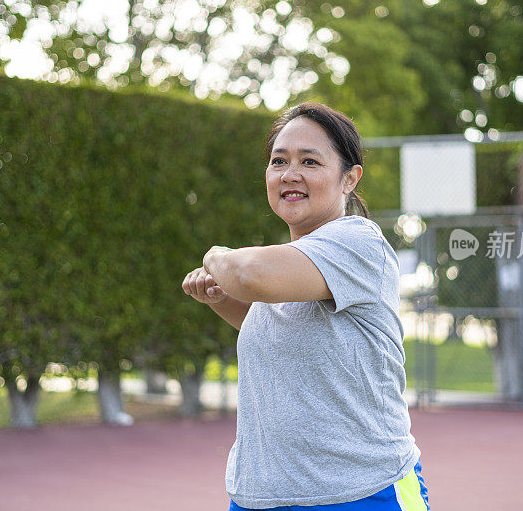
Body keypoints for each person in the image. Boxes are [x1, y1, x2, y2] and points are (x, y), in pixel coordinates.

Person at [181, 102, 429, 511]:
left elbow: (247, 274)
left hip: (362, 494)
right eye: (279, 161)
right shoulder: (295, 263)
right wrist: (222, 300)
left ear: (350, 178)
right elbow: (282, 331)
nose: (289, 173)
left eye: (309, 161)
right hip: (261, 496)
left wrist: (216, 256)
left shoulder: (358, 243)